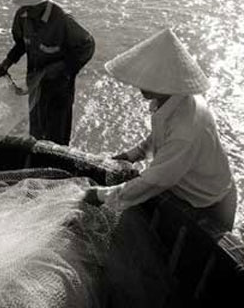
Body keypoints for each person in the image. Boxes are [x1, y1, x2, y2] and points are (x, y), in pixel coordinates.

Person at [84, 28, 236, 231]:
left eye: (149, 80)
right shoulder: (175, 99)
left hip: (209, 204)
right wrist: (132, 155)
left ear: (167, 83)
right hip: (184, 188)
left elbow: (154, 181)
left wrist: (101, 195)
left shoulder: (186, 131)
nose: (140, 85)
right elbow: (159, 136)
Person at [0, 0, 95, 145]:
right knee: (37, 130)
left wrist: (62, 68)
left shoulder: (63, 19)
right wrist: (6, 64)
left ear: (43, 1)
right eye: (25, 4)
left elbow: (87, 45)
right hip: (36, 84)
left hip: (60, 87)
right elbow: (22, 44)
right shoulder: (22, 16)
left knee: (58, 133)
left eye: (31, 5)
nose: (27, 9)